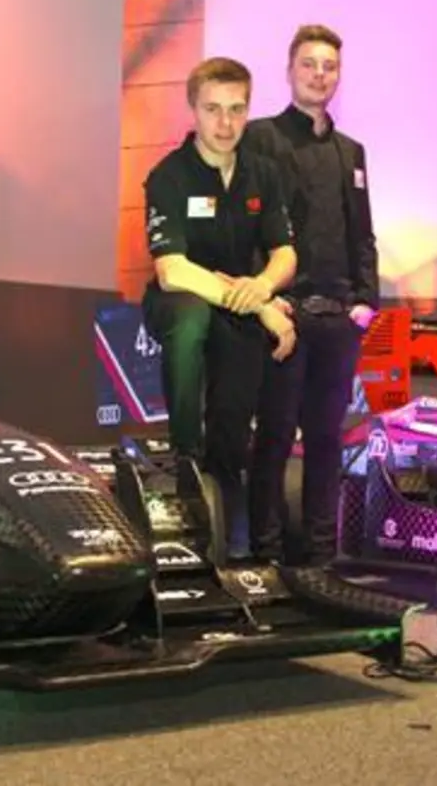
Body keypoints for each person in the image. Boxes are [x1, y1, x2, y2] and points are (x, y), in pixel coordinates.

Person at [142, 57, 299, 558]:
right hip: (179, 302)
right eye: (213, 109)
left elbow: (285, 253)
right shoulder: (168, 176)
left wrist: (264, 287)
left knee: (233, 427)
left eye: (237, 109)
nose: (225, 123)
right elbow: (173, 270)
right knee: (191, 316)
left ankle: (230, 528)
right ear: (193, 109)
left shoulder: (263, 173)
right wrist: (262, 308)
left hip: (239, 305)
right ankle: (184, 453)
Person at [243, 24, 379, 567]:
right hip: (284, 316)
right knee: (273, 437)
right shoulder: (261, 138)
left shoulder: (352, 151)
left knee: (326, 440)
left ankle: (322, 556)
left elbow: (362, 232)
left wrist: (366, 301)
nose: (320, 75)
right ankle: (266, 553)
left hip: (339, 318)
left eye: (329, 67)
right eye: (309, 65)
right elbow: (250, 228)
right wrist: (265, 299)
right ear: (290, 70)